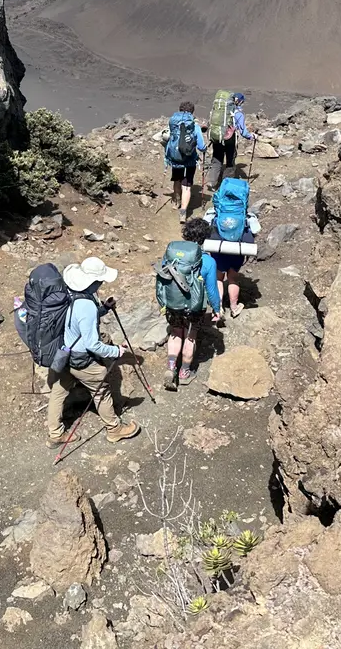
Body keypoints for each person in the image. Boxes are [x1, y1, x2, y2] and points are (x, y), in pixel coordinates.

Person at [46, 257, 142, 448]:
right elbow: (92, 344)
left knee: (58, 392)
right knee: (101, 392)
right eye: (100, 280)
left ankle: (55, 433)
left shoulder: (72, 294)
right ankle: (114, 430)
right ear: (92, 281)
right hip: (83, 360)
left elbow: (79, 322)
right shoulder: (87, 305)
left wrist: (104, 309)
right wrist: (116, 351)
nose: (102, 283)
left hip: (66, 354)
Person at [164, 218, 223, 390]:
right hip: (194, 306)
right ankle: (184, 372)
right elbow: (212, 289)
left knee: (175, 333)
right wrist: (216, 309)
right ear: (205, 238)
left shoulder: (171, 255)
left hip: (173, 303)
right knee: (190, 336)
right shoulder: (208, 261)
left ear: (186, 234)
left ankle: (170, 368)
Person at [165, 100, 207, 222]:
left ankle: (176, 201)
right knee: (187, 185)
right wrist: (204, 149)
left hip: (176, 156)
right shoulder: (195, 126)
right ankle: (183, 212)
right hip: (190, 158)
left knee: (177, 179)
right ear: (192, 112)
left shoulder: (173, 123)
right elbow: (200, 145)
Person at [211, 92, 256, 178]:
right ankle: (226, 183)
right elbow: (243, 132)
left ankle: (212, 184)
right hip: (230, 139)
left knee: (217, 160)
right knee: (230, 162)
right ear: (240, 102)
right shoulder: (238, 114)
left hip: (218, 136)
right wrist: (251, 136)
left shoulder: (221, 110)